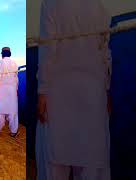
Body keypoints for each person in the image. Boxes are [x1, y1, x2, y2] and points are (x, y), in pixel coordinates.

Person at [36, 0, 112, 179]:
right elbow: (105, 54)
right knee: (91, 159)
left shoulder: (50, 4)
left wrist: (42, 90)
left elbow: (47, 52)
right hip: (93, 92)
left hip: (58, 92)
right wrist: (106, 90)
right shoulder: (100, 7)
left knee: (55, 159)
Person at [0, 47, 19, 137]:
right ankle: (14, 131)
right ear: (10, 53)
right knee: (13, 111)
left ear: (2, 54)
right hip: (12, 90)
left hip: (2, 89)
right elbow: (16, 78)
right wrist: (16, 89)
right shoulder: (15, 63)